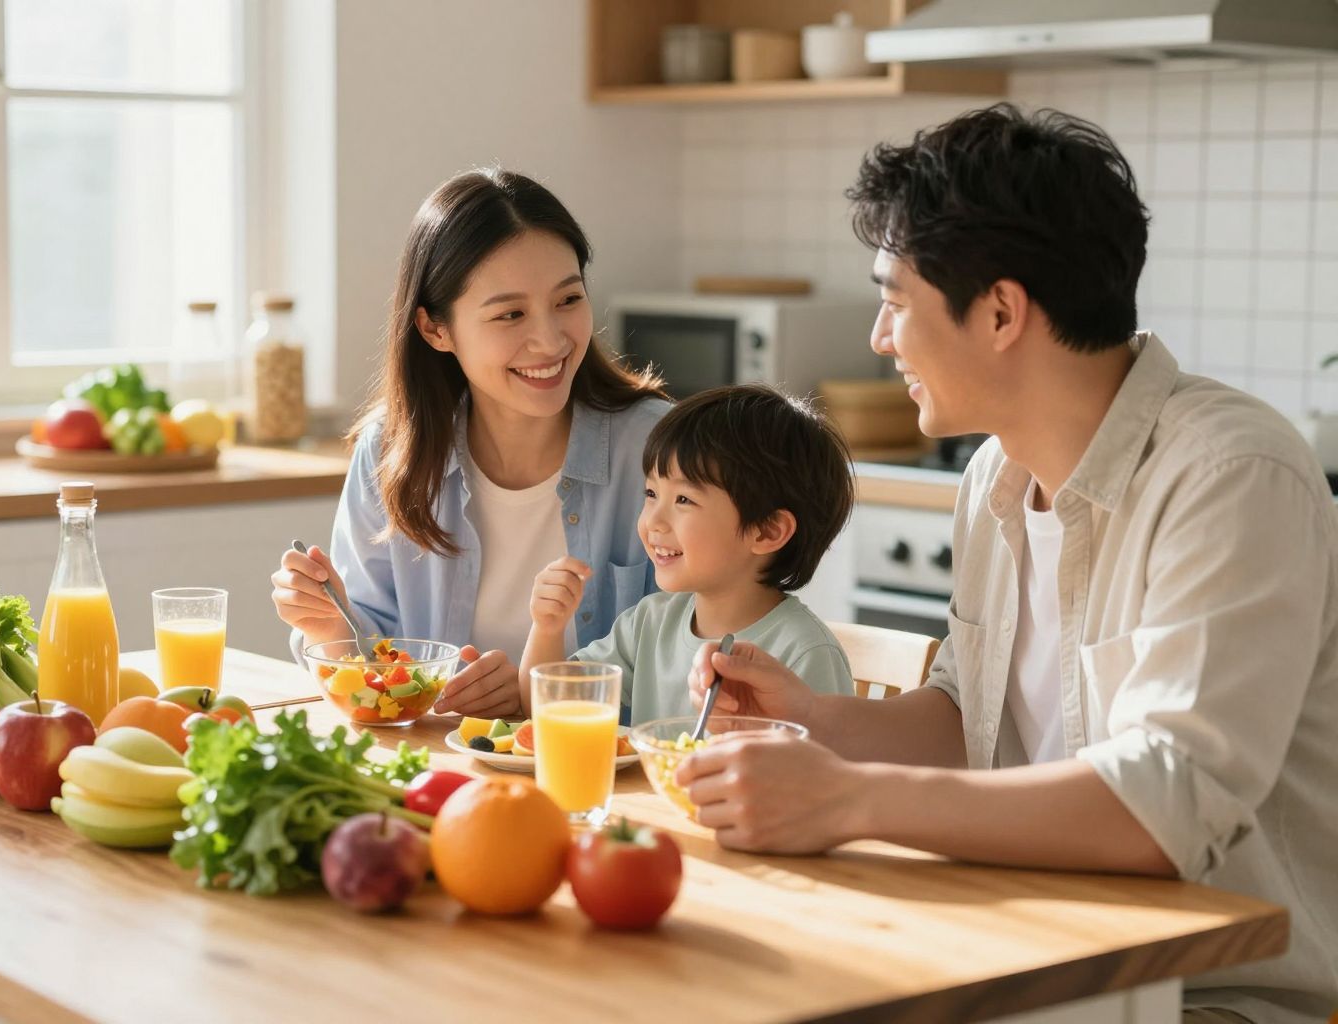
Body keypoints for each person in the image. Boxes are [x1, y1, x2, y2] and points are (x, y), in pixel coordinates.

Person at [678, 105, 1338, 1024]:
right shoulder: (996, 472)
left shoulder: (1231, 475)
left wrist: (850, 799)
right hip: (1029, 946)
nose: (878, 337)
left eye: (895, 300)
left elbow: (1166, 805)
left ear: (999, 312)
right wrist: (817, 721)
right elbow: (970, 724)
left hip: (1207, 996)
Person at [270, 168, 668, 719]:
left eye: (568, 299)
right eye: (510, 314)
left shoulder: (660, 450)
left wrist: (539, 697)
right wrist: (330, 626)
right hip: (438, 775)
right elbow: (375, 675)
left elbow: (697, 662)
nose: (551, 340)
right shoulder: (390, 450)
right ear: (436, 330)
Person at [520, 384, 855, 721]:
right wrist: (548, 628)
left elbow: (826, 769)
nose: (654, 521)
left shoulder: (805, 652)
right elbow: (547, 709)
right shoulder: (650, 622)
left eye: (684, 500)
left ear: (767, 531)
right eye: (651, 493)